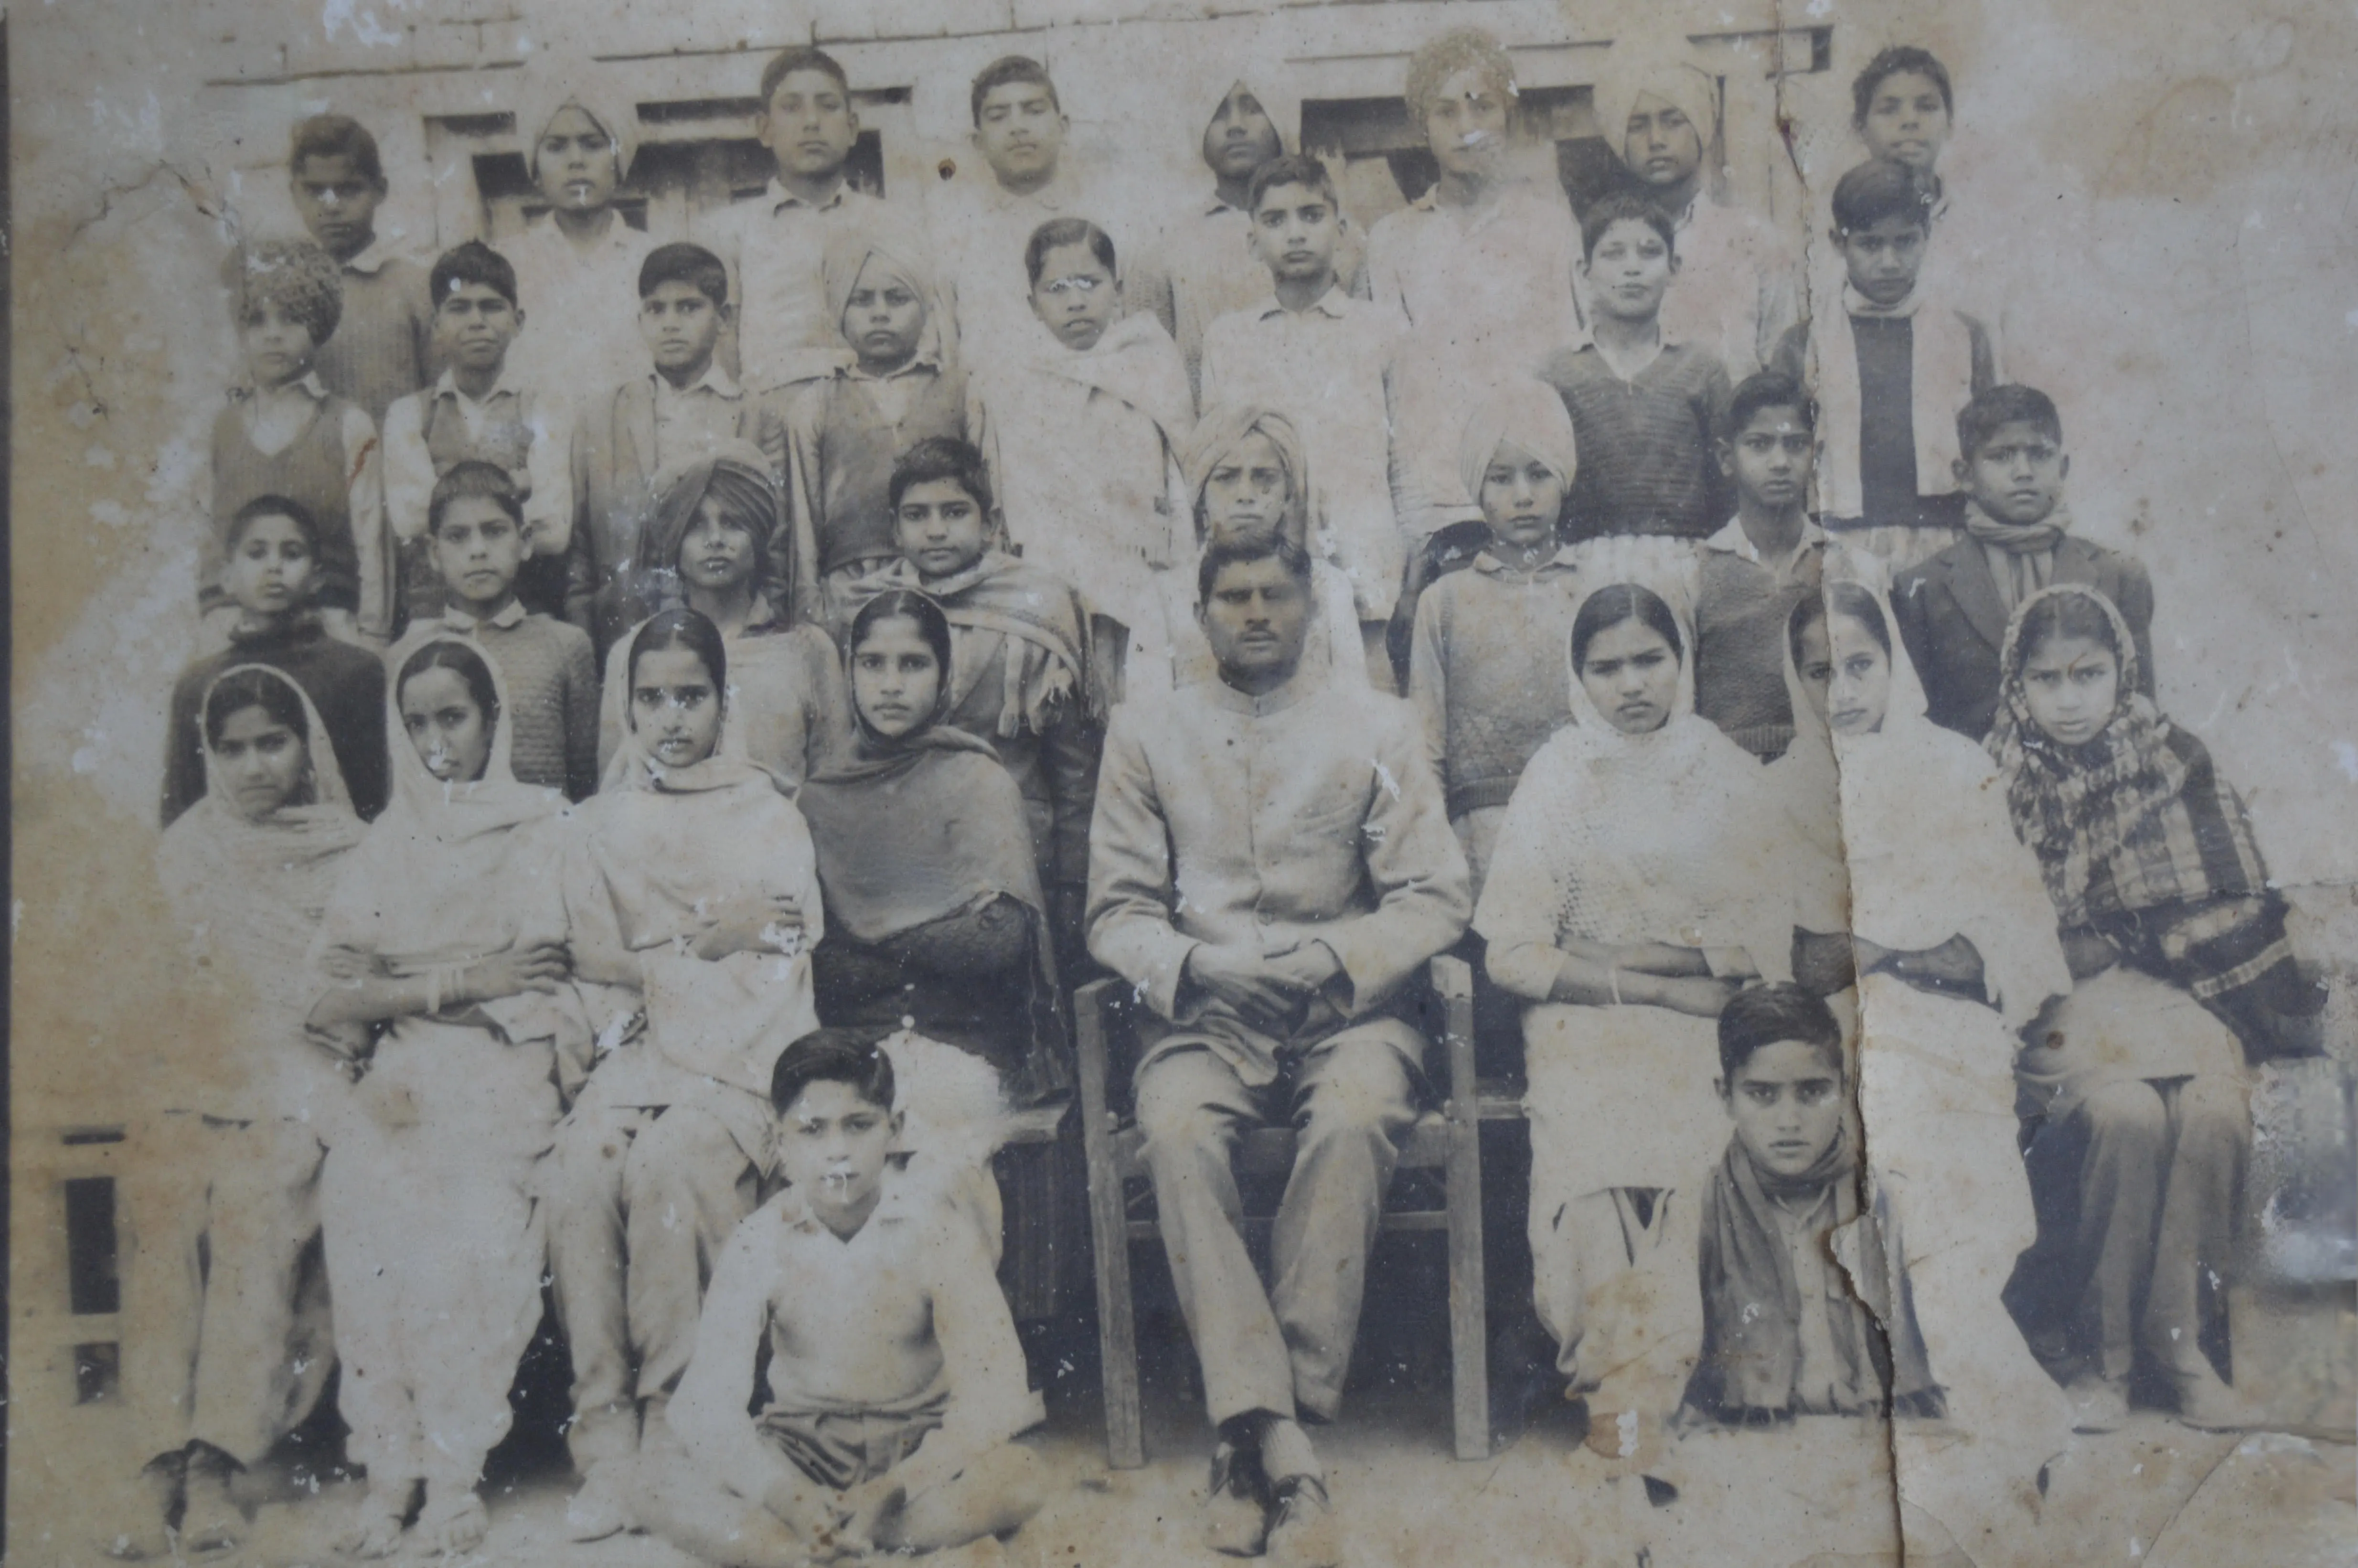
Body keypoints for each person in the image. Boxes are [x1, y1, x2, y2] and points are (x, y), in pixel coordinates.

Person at [1087, 533, 1471, 1565]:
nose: (1254, 614)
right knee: (1173, 1134)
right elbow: (1114, 912)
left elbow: (1434, 892)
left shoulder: (1377, 727)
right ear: (1199, 614)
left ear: (1310, 609)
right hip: (1201, 1015)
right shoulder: (1145, 732)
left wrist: (1332, 957)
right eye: (1232, 597)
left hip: (1346, 1010)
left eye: (1273, 596)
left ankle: (1251, 1432)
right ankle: (1284, 1446)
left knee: (1350, 1120)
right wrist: (1196, 969)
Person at [1782, 581, 2078, 1561]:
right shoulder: (1784, 785)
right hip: (1835, 1040)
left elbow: (2000, 933)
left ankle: (1996, 1417)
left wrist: (1888, 952)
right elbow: (1800, 954)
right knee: (1901, 1191)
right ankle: (2023, 1426)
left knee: (1955, 1216)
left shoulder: (1954, 769)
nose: (1842, 692)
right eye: (1819, 673)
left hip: (1949, 1031)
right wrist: (1902, 949)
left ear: (1892, 661)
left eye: (1859, 665)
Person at [1472, 583, 1784, 1460]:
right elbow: (1512, 951)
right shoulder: (1559, 772)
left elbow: (1764, 925)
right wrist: (1645, 985)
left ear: (1680, 662)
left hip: (1702, 1016)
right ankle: (1616, 1390)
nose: (1630, 684)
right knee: (1595, 1164)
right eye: (1605, 667)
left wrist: (1661, 962)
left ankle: (1654, 1378)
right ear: (1579, 678)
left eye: (1649, 659)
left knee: (1690, 1155)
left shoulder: (1719, 765)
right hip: (1584, 1021)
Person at [1990, 583, 2310, 1431]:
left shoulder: (2176, 761)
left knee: (2212, 1109)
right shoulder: (1994, 781)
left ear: (2121, 673)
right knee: (2127, 1114)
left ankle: (2180, 1349)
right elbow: (2004, 930)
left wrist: (2125, 933)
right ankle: (2104, 1358)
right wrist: (2108, 937)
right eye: (2047, 678)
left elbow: (2229, 900)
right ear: (2016, 684)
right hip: (2060, 1007)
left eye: (2087, 674)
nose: (2068, 699)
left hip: (2174, 997)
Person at [545, 608, 825, 1540]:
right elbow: (592, 955)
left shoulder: (767, 809)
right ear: (626, 706)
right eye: (652, 697)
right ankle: (607, 1439)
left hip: (742, 1054)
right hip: (635, 1051)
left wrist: (705, 948)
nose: (671, 717)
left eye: (690, 696)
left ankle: (674, 1424)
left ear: (722, 701)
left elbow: (790, 937)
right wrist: (694, 949)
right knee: (580, 1169)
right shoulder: (598, 823)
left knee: (671, 1164)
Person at [305, 638, 586, 1557]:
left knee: (465, 1238)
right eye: (416, 721)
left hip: (503, 1068)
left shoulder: (542, 823)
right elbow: (336, 991)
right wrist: (461, 975)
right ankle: (390, 1472)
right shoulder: (387, 841)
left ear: (493, 720)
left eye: (453, 717)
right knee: (361, 1214)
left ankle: (454, 1473)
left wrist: (414, 975)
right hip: (405, 1071)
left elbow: (538, 964)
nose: (436, 741)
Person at [115, 668, 367, 1560]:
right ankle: (158, 1455)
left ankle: (217, 1456)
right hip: (202, 1069)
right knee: (165, 1190)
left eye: (274, 741)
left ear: (306, 747)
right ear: (208, 755)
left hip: (306, 1073)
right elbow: (165, 995)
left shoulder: (353, 848)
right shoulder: (186, 850)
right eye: (233, 748)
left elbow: (355, 993)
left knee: (257, 1200)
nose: (256, 764)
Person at [634, 1034, 1049, 1567]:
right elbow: (706, 1404)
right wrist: (782, 1492)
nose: (837, 1150)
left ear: (894, 1131)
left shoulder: (934, 1227)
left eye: (859, 1125)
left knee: (1023, 1476)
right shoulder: (760, 1238)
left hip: (913, 1447)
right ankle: (826, 1542)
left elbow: (994, 1392)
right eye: (811, 1129)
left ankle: (828, 1544)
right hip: (801, 1451)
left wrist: (900, 1484)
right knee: (651, 1484)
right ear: (780, 1145)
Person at [799, 589, 1069, 1108]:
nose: (891, 684)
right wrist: (926, 943)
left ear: (946, 677)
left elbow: (998, 941)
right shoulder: (818, 799)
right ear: (849, 673)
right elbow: (816, 960)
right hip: (852, 1050)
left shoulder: (977, 780)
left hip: (967, 1042)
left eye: (914, 664)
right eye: (872, 664)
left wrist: (868, 942)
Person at [853, 438, 1100, 961]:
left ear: (989, 523)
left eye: (955, 512)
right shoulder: (869, 611)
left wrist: (1073, 883)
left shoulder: (1041, 606)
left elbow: (1074, 770)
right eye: (917, 516)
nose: (936, 530)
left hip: (1016, 845)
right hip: (903, 842)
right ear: (893, 528)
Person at [1366, 27, 1584, 543]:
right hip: (1432, 495)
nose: (1466, 128)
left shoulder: (1549, 226)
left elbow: (1573, 358)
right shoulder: (1392, 240)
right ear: (1423, 126)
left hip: (1531, 487)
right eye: (1446, 112)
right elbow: (1386, 386)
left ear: (1506, 115)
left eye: (1481, 107)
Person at [1688, 984, 1937, 1424]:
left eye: (1812, 1092)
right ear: (1724, 1095)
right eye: (1762, 1094)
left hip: (1873, 1429)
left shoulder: (1888, 1200)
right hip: (1748, 1436)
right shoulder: (1700, 1207)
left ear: (1843, 1089)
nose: (1789, 1121)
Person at [971, 218, 1194, 700]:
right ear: (1032, 302)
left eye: (1088, 285)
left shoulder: (1148, 356)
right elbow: (1006, 479)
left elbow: (1178, 466)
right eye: (1056, 289)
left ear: (1117, 290)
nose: (1075, 301)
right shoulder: (1015, 376)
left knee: (1143, 689)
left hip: (1141, 565)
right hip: (1056, 567)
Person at [1199, 154, 1403, 672]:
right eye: (1274, 220)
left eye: (1310, 217)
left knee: (1366, 701)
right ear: (1251, 241)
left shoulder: (1379, 331)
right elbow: (1216, 470)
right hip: (1266, 567)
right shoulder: (1230, 338)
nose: (1295, 234)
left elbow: (1405, 461)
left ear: (1339, 230)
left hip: (1363, 563)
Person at [1771, 158, 1997, 573]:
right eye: (1871, 244)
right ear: (1839, 243)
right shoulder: (1804, 343)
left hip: (1944, 539)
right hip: (1837, 540)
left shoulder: (1964, 336)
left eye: (1905, 242)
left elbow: (1989, 451)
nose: (1890, 261)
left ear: (1926, 236)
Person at [1891, 384, 2155, 739]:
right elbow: (1919, 725)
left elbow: (2140, 702)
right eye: (2001, 456)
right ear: (1964, 475)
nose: (2023, 471)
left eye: (2039, 454)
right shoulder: (1921, 588)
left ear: (2062, 468)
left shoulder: (2119, 574)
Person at [1407, 384, 1585, 893]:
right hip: (1481, 833)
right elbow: (1424, 742)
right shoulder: (1444, 602)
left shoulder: (1593, 587)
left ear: (1563, 480)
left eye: (1538, 475)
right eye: (1501, 478)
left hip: (1583, 819)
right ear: (1478, 490)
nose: (1522, 496)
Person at [570, 242, 788, 656]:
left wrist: (759, 640)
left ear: (723, 318)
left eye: (689, 308)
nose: (671, 324)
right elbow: (580, 556)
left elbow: (776, 547)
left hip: (729, 635)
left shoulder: (755, 416)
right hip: (623, 630)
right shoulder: (603, 417)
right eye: (657, 309)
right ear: (641, 319)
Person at [597, 446, 847, 792]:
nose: (715, 541)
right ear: (674, 542)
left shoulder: (806, 650)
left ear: (758, 537)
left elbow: (833, 791)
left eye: (732, 523)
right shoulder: (629, 654)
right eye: (696, 526)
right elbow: (615, 789)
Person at [1542, 195, 1732, 606]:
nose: (1631, 268)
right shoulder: (1557, 373)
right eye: (1612, 254)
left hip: (1686, 561)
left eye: (1649, 253)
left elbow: (1727, 483)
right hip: (1584, 563)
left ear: (1673, 269)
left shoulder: (1701, 368)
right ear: (1584, 270)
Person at [204, 238, 392, 647]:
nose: (273, 335)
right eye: (257, 320)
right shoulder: (223, 428)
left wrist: (372, 636)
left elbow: (371, 542)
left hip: (329, 625)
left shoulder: (347, 424)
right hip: (237, 626)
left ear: (318, 325)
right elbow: (210, 539)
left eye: (290, 319)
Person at [695, 47, 914, 395]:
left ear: (852, 127)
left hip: (872, 413)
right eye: (792, 107)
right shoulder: (729, 232)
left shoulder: (891, 223)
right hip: (769, 418)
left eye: (828, 106)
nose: (811, 122)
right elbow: (720, 349)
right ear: (765, 129)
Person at [781, 227, 967, 628]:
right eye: (862, 300)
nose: (880, 313)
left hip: (953, 585)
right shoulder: (815, 404)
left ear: (925, 308)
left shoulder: (962, 392)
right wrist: (813, 616)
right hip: (851, 594)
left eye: (897, 299)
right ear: (837, 311)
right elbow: (804, 527)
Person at [164, 496, 390, 824]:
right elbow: (181, 813)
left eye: (292, 554)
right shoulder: (197, 684)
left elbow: (374, 803)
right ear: (227, 576)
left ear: (316, 578)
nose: (274, 567)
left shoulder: (355, 672)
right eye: (256, 553)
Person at [1141, 70, 1366, 398]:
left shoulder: (1341, 237)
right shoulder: (1167, 244)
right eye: (1218, 114)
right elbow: (1152, 369)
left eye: (1252, 108)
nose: (1235, 125)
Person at [382, 240, 575, 622]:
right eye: (459, 308)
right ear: (437, 326)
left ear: (517, 322)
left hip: (528, 612)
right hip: (433, 615)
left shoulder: (544, 408)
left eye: (491, 307)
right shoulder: (409, 415)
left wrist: (447, 496)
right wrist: (515, 487)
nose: (476, 322)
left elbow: (553, 529)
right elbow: (408, 521)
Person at [389, 461, 599, 800]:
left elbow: (584, 780)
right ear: (434, 552)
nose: (477, 550)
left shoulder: (565, 645)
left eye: (494, 531)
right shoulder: (405, 656)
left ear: (526, 540)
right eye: (457, 536)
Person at [1591, 43, 1800, 380]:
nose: (1656, 139)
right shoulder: (1597, 248)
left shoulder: (1754, 242)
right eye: (1638, 125)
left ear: (1702, 127)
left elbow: (1781, 369)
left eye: (1673, 121)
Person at [935, 55, 1136, 375]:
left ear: (1063, 126)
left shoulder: (1111, 222)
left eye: (1034, 111)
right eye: (999, 116)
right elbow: (949, 353)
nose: (1018, 127)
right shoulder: (955, 240)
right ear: (978, 142)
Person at [500, 56, 660, 410]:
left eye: (592, 144)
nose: (576, 161)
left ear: (617, 158)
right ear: (536, 167)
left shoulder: (653, 259)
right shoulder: (505, 264)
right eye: (556, 147)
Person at [1175, 405, 1368, 693]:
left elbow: (1355, 703)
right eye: (1226, 478)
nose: (1245, 496)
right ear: (1201, 494)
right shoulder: (1164, 595)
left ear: (1288, 493)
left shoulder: (1329, 587)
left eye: (1265, 477)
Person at [1692, 373, 1831, 760]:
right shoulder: (1695, 573)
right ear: (1726, 459)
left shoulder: (1847, 565)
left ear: (1815, 456)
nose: (1780, 462)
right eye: (1759, 445)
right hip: (1727, 779)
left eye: (1795, 445)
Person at [287, 114, 434, 430]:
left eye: (349, 190)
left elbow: (443, 398)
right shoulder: (284, 294)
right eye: (315, 191)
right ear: (295, 194)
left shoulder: (415, 287)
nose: (332, 206)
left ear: (380, 190)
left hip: (396, 469)